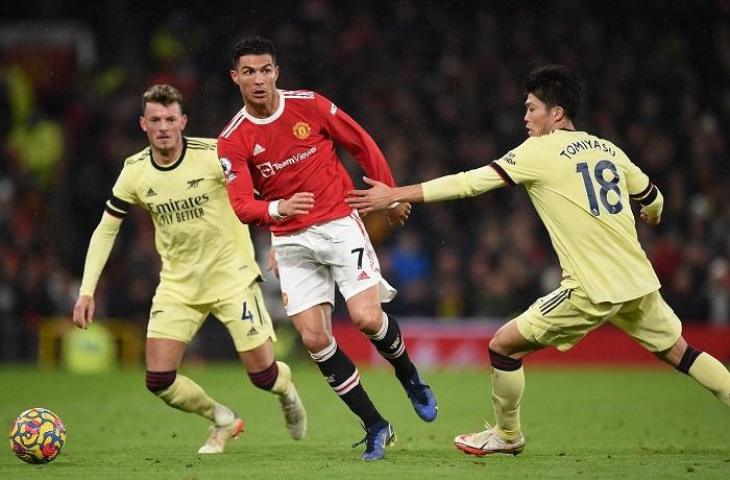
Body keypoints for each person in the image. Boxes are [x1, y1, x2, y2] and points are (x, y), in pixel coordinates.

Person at [347, 65, 730, 456]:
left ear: (556, 114)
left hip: (589, 288)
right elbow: (653, 197)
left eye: (532, 109)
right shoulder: (608, 148)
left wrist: (395, 193)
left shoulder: (540, 151)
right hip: (638, 282)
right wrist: (651, 214)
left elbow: (468, 183)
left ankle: (507, 436)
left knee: (503, 347)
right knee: (682, 353)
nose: (525, 118)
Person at [217, 37, 438, 461]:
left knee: (367, 318)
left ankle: (409, 376)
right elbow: (243, 206)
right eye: (249, 72)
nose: (259, 79)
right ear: (236, 78)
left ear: (276, 72)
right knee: (316, 339)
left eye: (265, 70)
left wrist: (388, 194)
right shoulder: (233, 139)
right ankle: (375, 425)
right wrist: (278, 208)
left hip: (338, 225)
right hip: (290, 240)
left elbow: (361, 143)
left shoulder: (310, 105)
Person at [72, 84, 307, 454]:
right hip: (178, 284)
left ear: (183, 121)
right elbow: (106, 229)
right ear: (143, 124)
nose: (163, 127)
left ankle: (287, 389)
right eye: (155, 120)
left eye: (169, 119)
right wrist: (87, 290)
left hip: (232, 277)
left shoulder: (215, 154)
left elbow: (267, 192)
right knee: (159, 379)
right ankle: (222, 419)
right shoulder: (134, 172)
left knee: (264, 376)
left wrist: (277, 242)